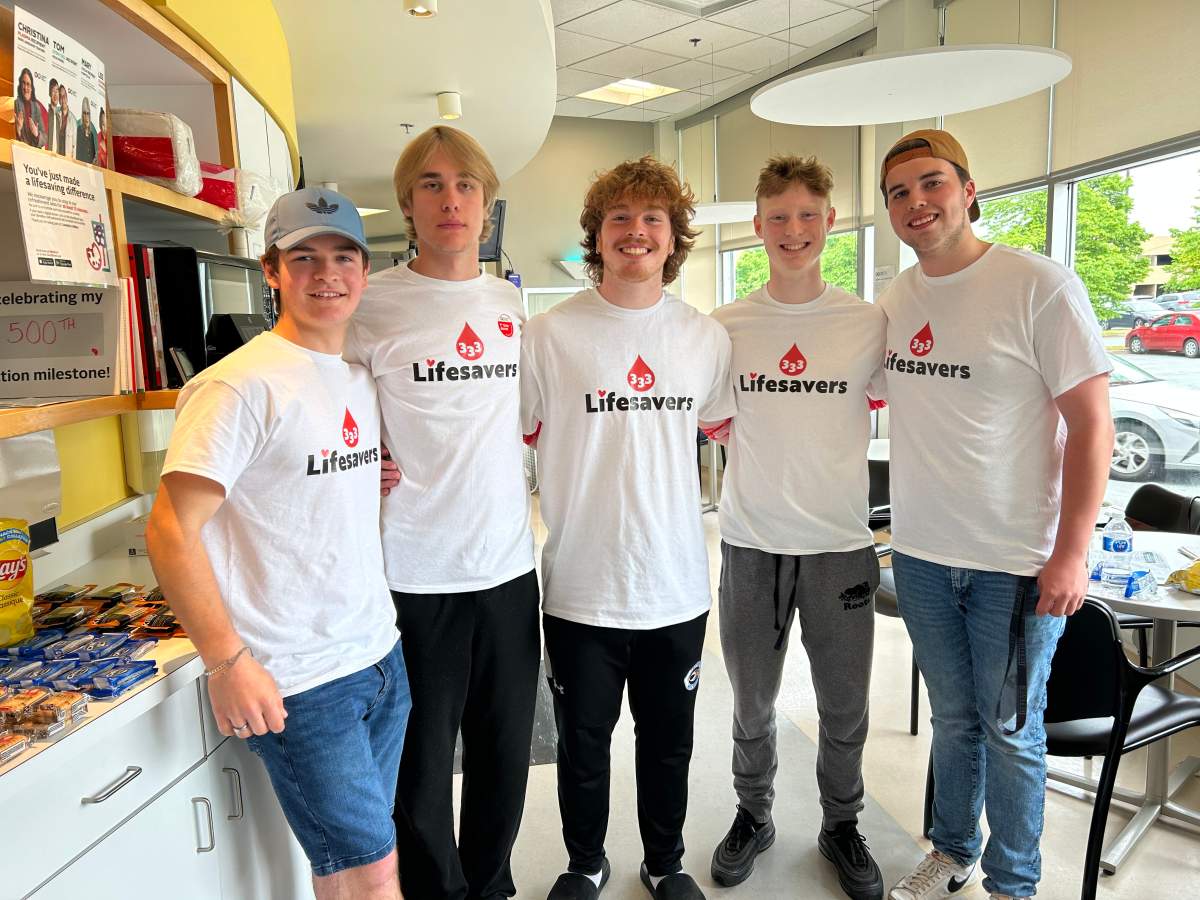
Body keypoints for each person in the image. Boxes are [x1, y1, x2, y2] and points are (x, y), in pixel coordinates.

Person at [146, 187, 410, 900]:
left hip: (379, 658)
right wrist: (228, 660)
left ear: (363, 269)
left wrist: (368, 474)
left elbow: (303, 483)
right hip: (300, 679)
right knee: (373, 873)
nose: (328, 274)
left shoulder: (356, 377)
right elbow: (170, 530)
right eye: (305, 259)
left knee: (352, 866)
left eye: (343, 257)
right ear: (273, 272)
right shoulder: (236, 385)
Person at [876, 130, 1113, 900]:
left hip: (1014, 562)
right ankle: (952, 850)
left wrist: (1071, 553)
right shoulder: (897, 298)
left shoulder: (1037, 285)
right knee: (953, 720)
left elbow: (1093, 425)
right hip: (918, 554)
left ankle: (1014, 883)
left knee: (1013, 730)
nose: (917, 203)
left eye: (931, 183)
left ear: (969, 191)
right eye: (899, 193)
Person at [521, 156, 736, 900]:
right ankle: (585, 862)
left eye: (653, 219)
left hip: (674, 582)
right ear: (597, 236)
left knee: (668, 743)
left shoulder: (704, 338)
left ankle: (664, 862)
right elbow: (503, 442)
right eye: (620, 219)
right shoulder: (546, 336)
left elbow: (726, 432)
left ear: (674, 238)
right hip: (581, 583)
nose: (636, 232)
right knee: (582, 745)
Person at [345, 125, 539, 900]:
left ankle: (491, 886)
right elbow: (324, 407)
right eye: (431, 184)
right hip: (413, 575)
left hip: (507, 567)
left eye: (465, 185)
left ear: (486, 207)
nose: (450, 199)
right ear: (408, 206)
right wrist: (362, 464)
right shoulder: (371, 305)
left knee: (503, 755)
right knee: (419, 765)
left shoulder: (508, 301)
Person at [707, 155, 886, 900]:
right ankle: (754, 814)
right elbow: (710, 423)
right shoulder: (726, 327)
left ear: (830, 222)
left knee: (844, 704)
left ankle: (841, 823)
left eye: (807, 215)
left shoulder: (866, 322)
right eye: (777, 217)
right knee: (751, 700)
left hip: (841, 548)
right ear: (756, 227)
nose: (792, 230)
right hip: (752, 543)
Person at [14, 67, 47, 149]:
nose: (25, 88)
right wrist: (17, 130)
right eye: (23, 83)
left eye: (28, 84)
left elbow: (45, 137)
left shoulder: (36, 107)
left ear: (32, 88)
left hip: (34, 156)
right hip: (20, 152)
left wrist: (37, 134)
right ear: (20, 85)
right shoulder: (15, 104)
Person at [76, 96, 98, 165]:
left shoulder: (91, 134)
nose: (86, 116)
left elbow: (93, 155)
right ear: (82, 114)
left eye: (88, 113)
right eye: (84, 113)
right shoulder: (79, 130)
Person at [57, 87, 77, 159]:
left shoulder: (73, 121)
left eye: (64, 96)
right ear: (59, 100)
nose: (63, 99)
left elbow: (74, 146)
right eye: (61, 97)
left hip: (67, 159)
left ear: (67, 98)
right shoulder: (56, 116)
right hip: (56, 157)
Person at [47, 80, 61, 154]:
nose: (55, 95)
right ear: (49, 93)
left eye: (57, 91)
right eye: (53, 91)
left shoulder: (59, 117)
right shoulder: (47, 113)